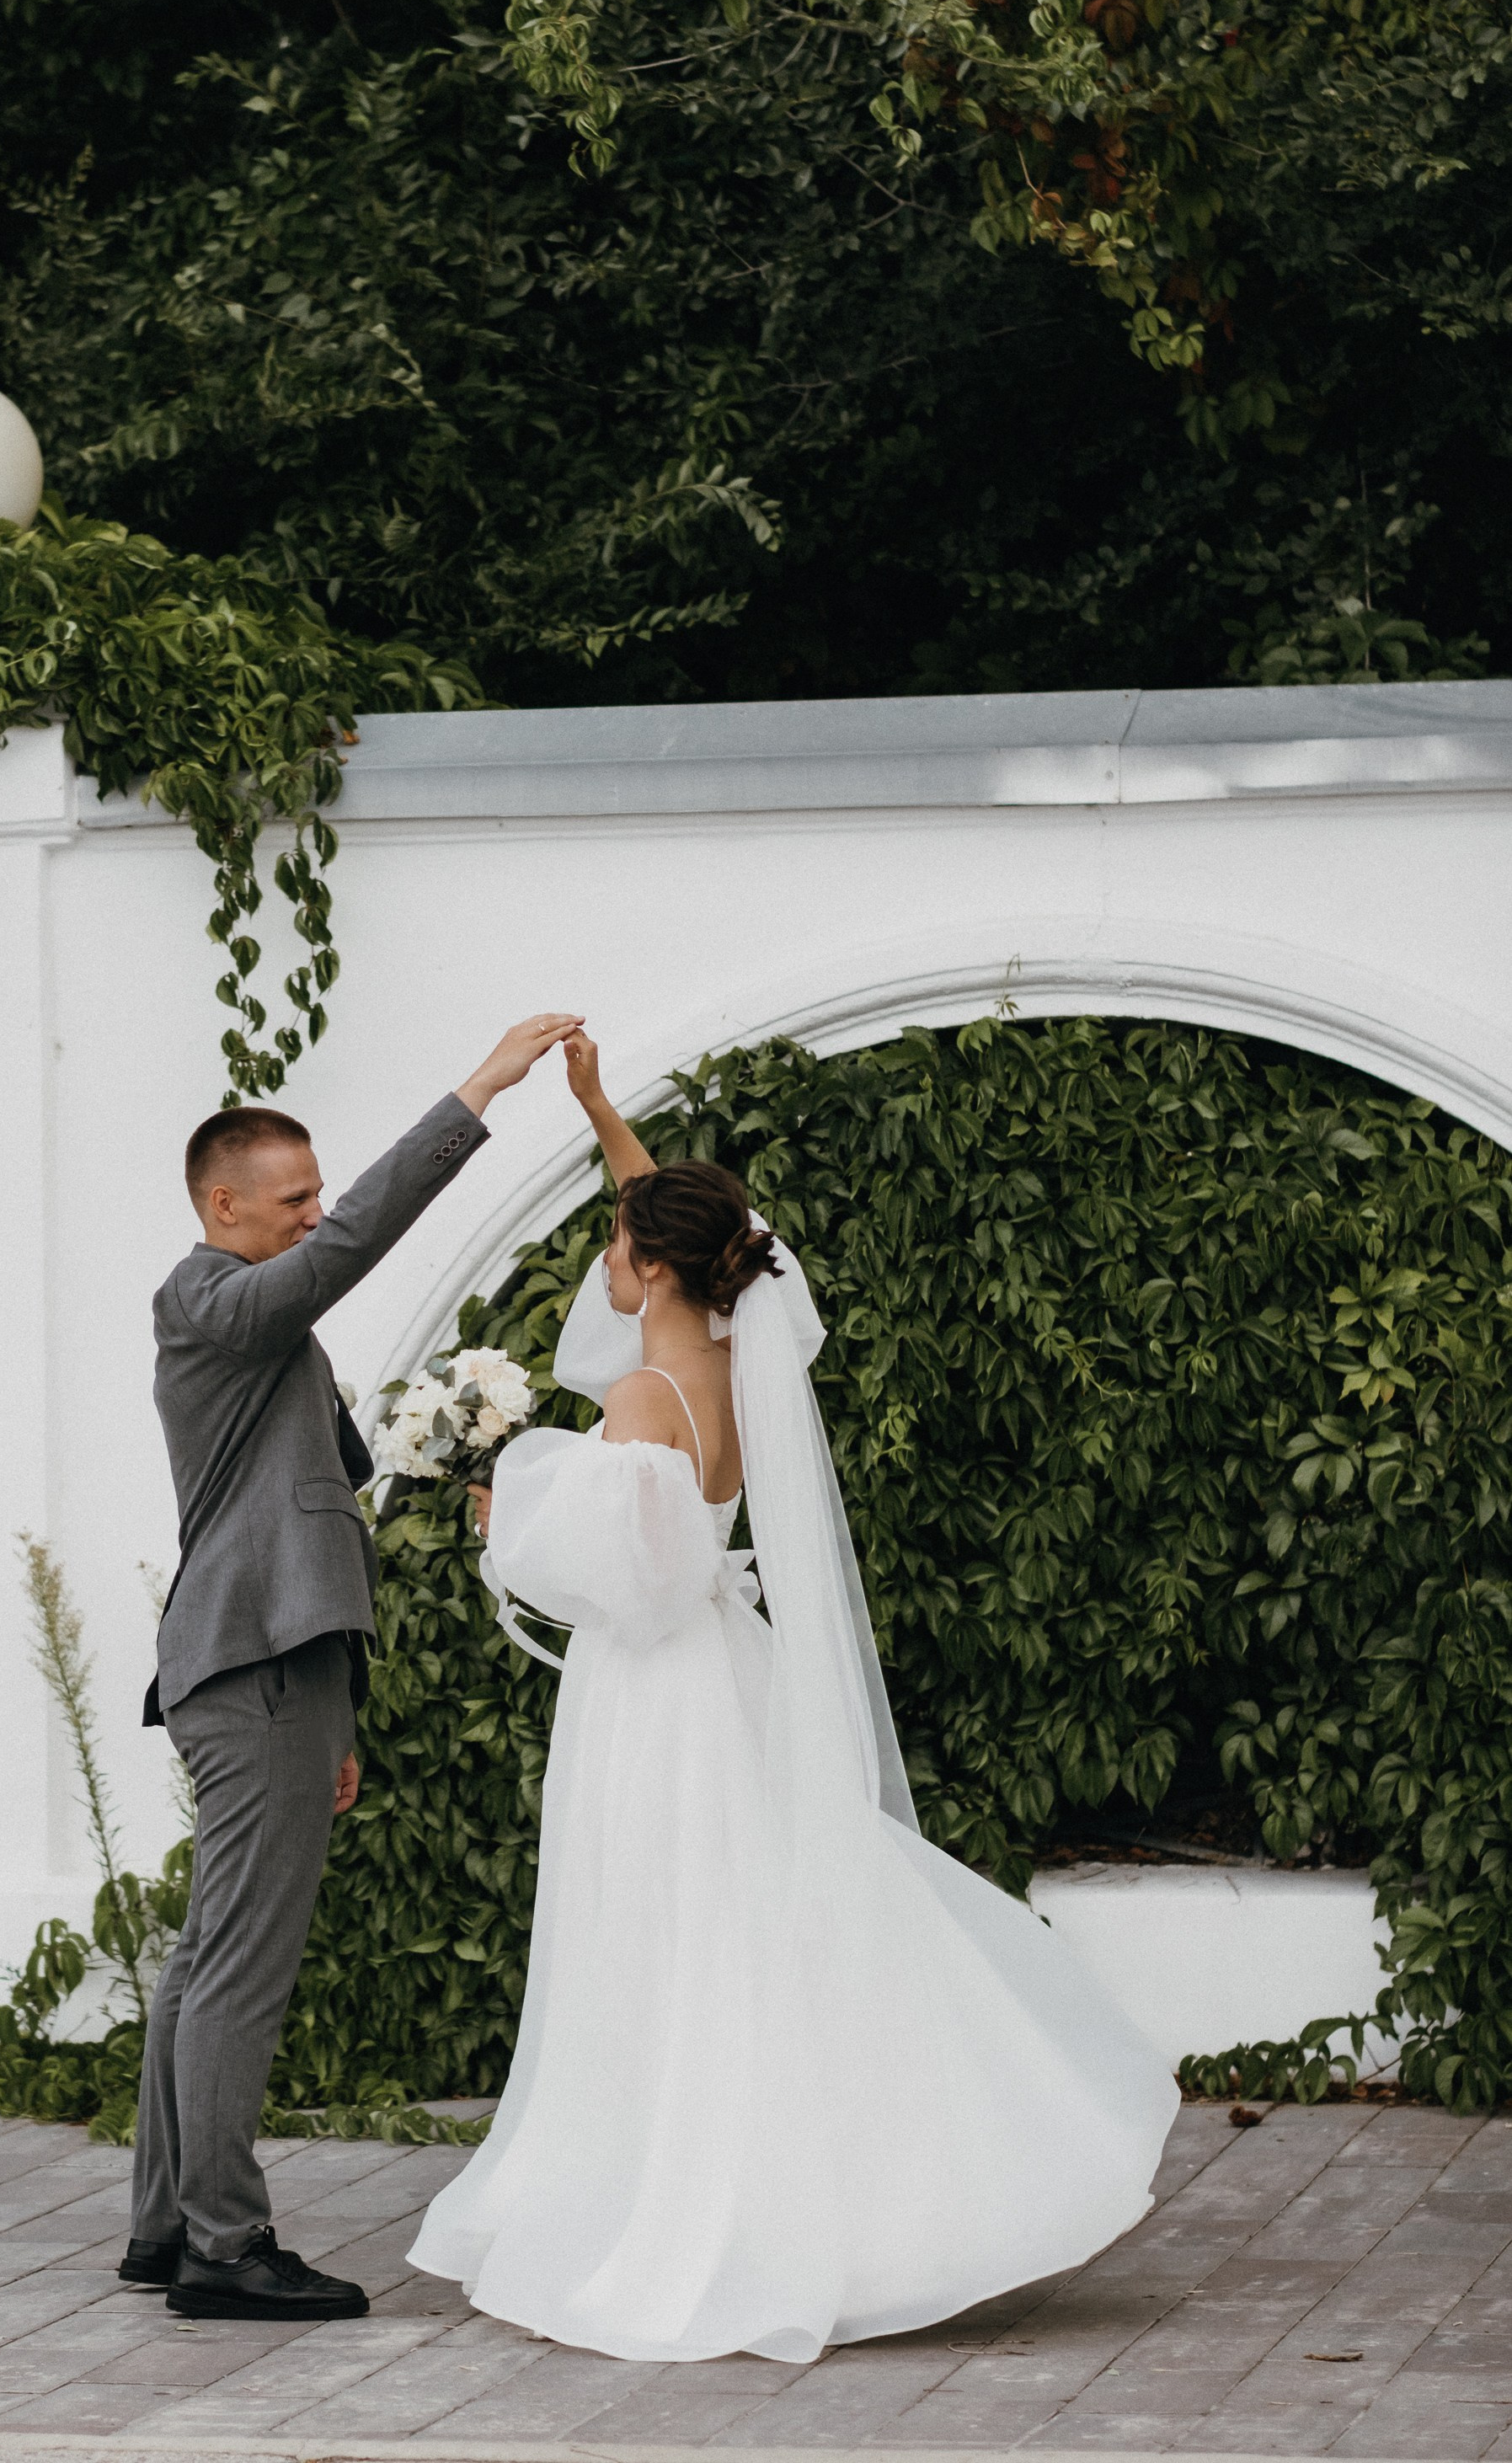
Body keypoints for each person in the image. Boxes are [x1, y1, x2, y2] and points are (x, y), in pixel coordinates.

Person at [409, 1033, 1179, 2364]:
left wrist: (507, 1509)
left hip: (658, 1693)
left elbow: (633, 1585)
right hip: (728, 1675)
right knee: (754, 1913)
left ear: (651, 1265)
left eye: (615, 1238)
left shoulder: (648, 1395)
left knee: (667, 1931)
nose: (602, 1255)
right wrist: (600, 1111)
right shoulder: (727, 1359)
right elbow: (704, 1223)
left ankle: (691, 2203)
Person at [124, 1012, 584, 2323]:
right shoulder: (207, 1298)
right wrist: (481, 1090)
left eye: (319, 1192)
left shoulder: (257, 1330)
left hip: (279, 1668)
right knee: (239, 1968)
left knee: (208, 1952)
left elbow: (313, 1503)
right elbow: (345, 1255)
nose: (316, 1215)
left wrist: (339, 1714)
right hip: (254, 1663)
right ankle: (223, 2243)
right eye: (295, 1199)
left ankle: (168, 2227)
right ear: (224, 1205)